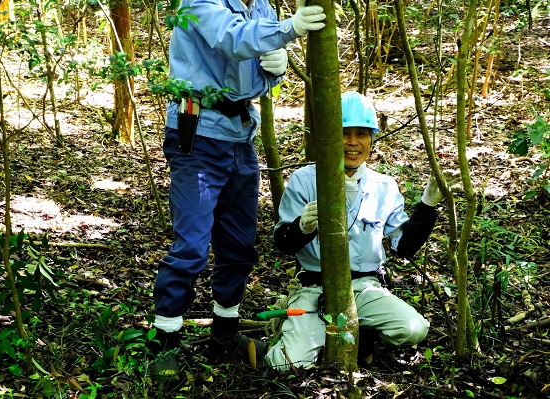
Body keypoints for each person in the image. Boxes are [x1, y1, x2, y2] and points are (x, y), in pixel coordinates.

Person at [150, 0, 327, 378]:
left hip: (240, 137)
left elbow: (250, 73)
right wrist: (289, 29)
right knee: (192, 246)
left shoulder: (260, 5)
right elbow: (231, 38)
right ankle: (163, 340)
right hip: (196, 134)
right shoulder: (200, 1)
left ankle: (225, 334)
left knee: (238, 244)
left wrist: (273, 74)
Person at [264, 91, 455, 370]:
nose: (352, 142)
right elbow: (283, 245)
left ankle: (360, 337)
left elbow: (403, 247)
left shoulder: (384, 186)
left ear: (371, 140)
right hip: (315, 290)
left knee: (414, 328)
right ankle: (294, 326)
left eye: (362, 134)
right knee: (286, 365)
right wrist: (302, 226)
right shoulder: (304, 180)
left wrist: (427, 206)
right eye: (344, 132)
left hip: (365, 289)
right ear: (330, 135)